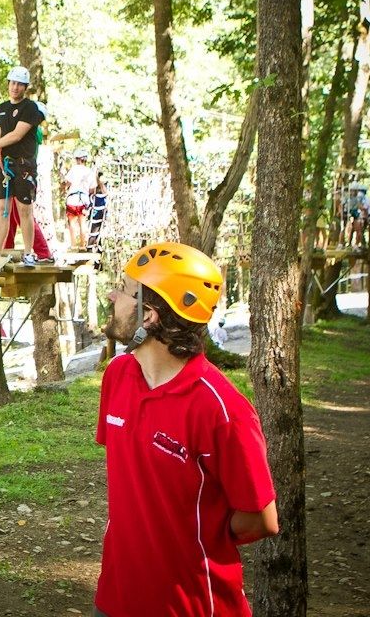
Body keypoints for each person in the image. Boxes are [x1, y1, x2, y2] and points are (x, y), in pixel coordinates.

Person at [95, 241, 278, 617]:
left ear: (149, 316)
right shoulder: (117, 375)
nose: (113, 295)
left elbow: (261, 518)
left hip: (191, 607)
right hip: (115, 597)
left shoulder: (221, 410)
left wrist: (191, 540)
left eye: (125, 289)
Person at [0, 66, 45, 267]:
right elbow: (1, 132)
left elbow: (17, 135)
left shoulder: (30, 108)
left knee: (24, 209)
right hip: (4, 166)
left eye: (20, 84)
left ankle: (28, 253)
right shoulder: (2, 108)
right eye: (13, 83)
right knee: (1, 208)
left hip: (23, 165)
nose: (15, 87)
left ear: (25, 87)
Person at [63, 148, 97, 250]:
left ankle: (73, 245)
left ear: (77, 159)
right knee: (83, 223)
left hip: (72, 199)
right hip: (84, 200)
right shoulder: (90, 172)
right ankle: (83, 246)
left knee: (72, 223)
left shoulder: (73, 169)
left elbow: (67, 183)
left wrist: (65, 188)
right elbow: (92, 189)